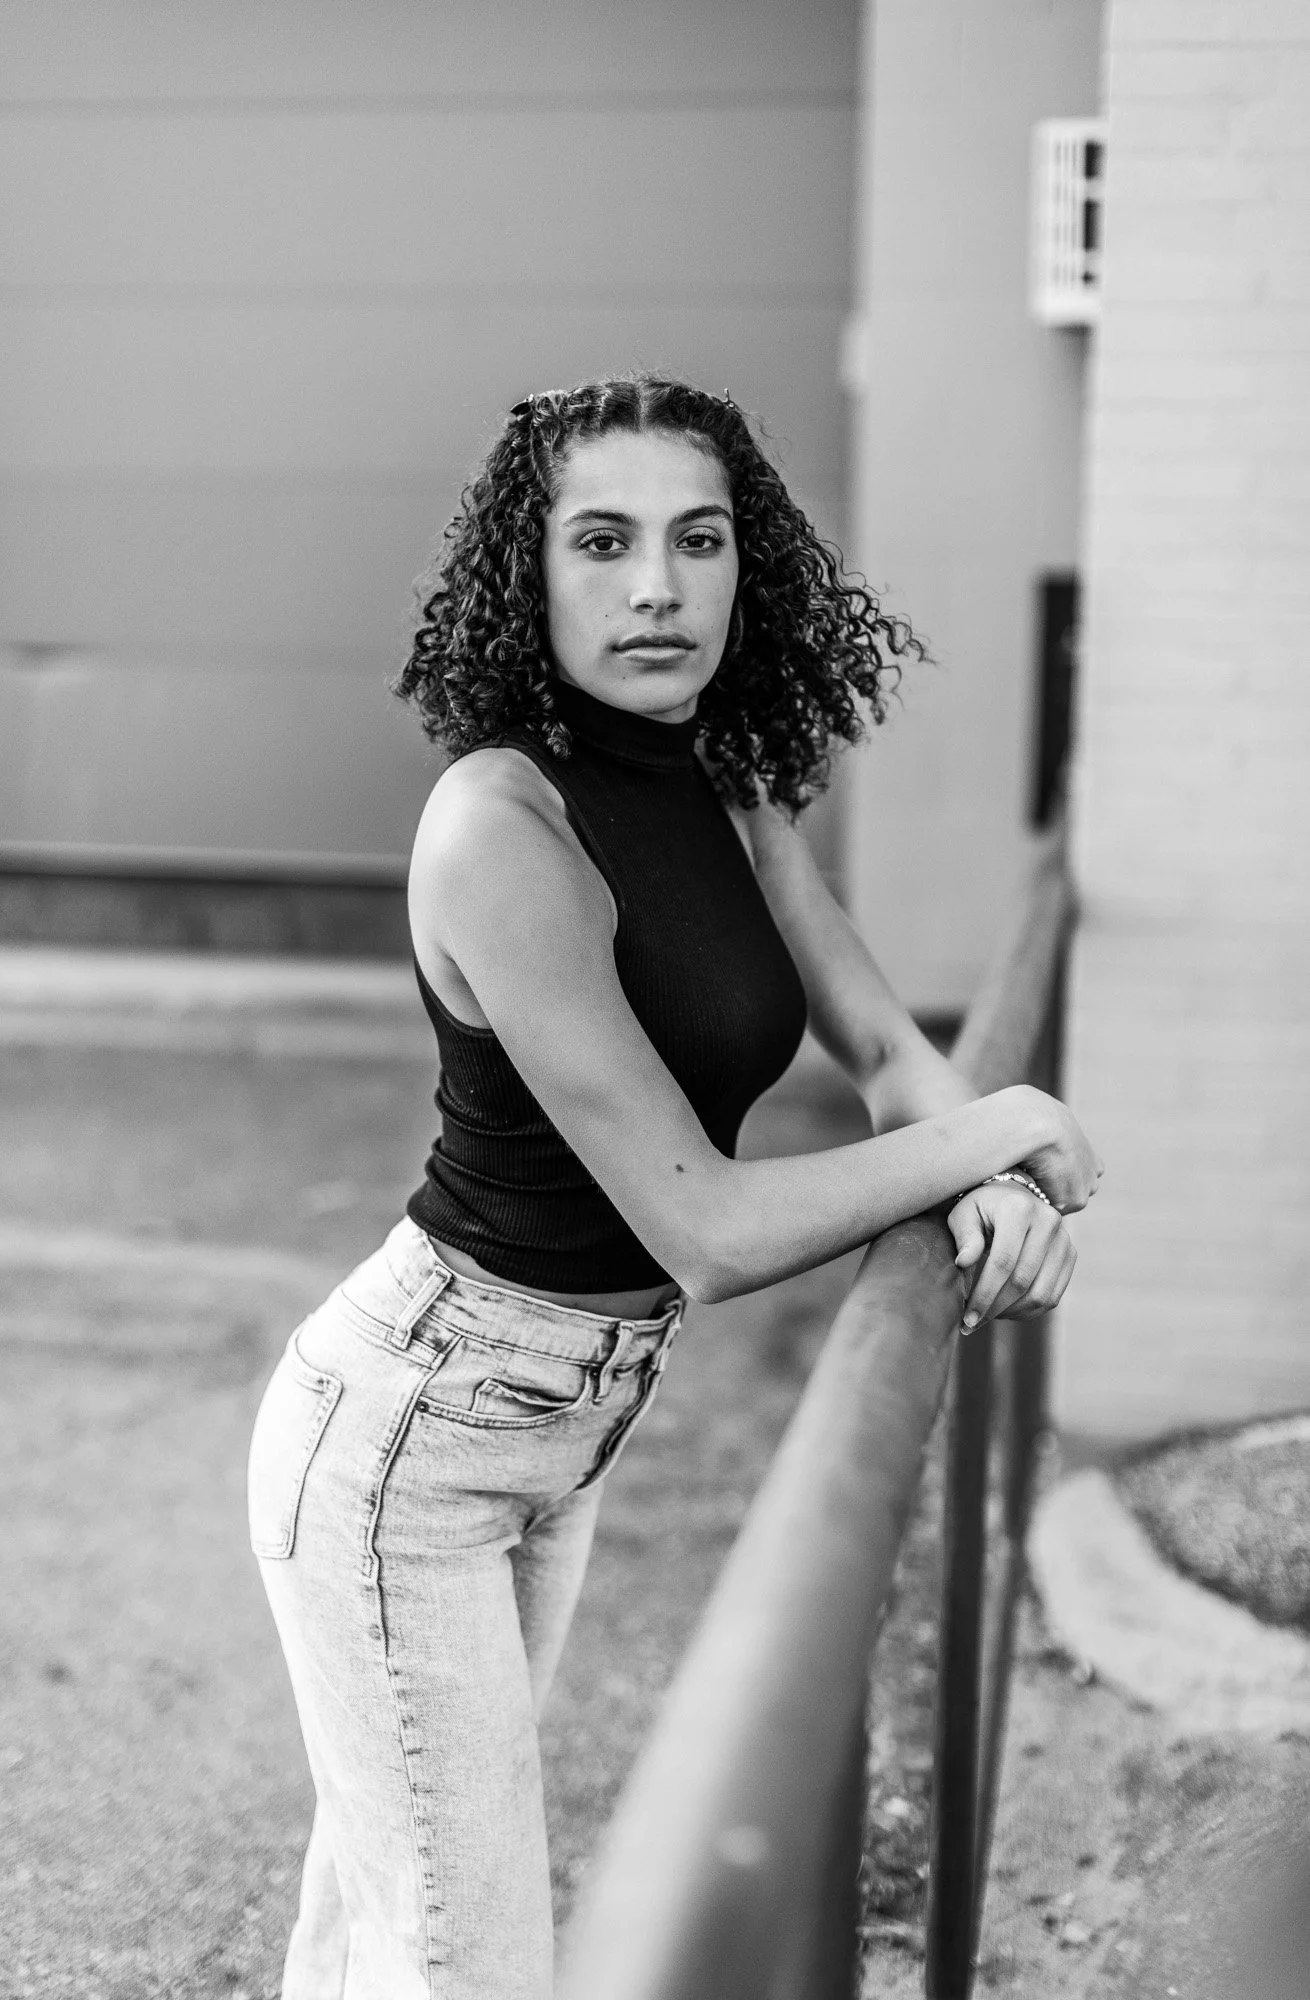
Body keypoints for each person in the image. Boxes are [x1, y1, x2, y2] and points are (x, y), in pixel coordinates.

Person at [246, 375, 1101, 2000]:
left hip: (556, 1428)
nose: (656, 585)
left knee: (383, 1923)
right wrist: (1002, 1132)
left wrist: (976, 1151)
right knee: (469, 1955)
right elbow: (705, 1228)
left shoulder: (725, 775)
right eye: (604, 540)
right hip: (410, 1442)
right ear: (531, 573)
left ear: (745, 568)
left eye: (697, 540)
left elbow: (875, 1038)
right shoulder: (500, 829)